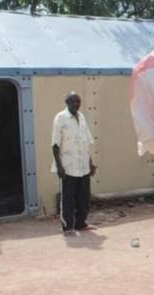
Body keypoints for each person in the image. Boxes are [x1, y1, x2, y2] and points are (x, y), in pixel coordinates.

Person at [51, 92, 97, 236]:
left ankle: (81, 223)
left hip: (83, 166)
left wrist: (90, 163)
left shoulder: (82, 117)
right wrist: (59, 166)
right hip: (68, 166)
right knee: (68, 198)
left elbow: (86, 143)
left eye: (78, 102)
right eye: (73, 102)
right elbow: (55, 144)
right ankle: (67, 227)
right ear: (67, 102)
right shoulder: (61, 118)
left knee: (83, 197)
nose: (76, 104)